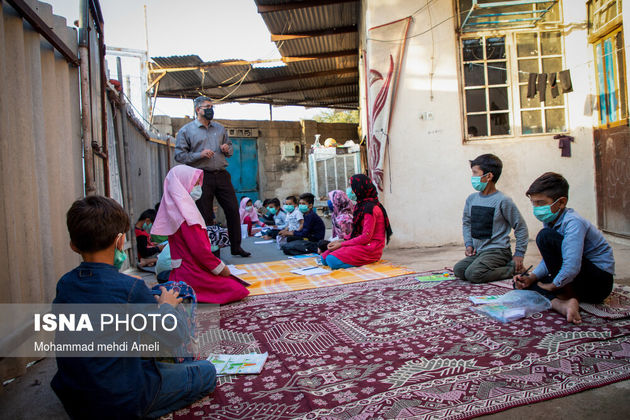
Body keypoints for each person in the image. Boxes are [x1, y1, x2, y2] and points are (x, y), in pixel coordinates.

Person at [51, 196, 216, 419]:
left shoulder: (65, 284)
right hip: (121, 398)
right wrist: (167, 306)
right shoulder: (130, 288)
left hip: (74, 400)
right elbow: (174, 336)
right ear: (120, 242)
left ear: (73, 245)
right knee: (207, 371)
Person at [514, 172, 615, 324]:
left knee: (544, 236)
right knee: (520, 284)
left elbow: (572, 265)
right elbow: (550, 261)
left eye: (540, 203)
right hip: (578, 279)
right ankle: (562, 304)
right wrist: (532, 278)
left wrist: (552, 286)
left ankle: (562, 294)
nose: (536, 208)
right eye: (533, 203)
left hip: (598, 284)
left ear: (561, 202)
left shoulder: (573, 222)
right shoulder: (551, 221)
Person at [152, 165, 249, 304]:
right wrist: (221, 268)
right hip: (192, 271)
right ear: (182, 185)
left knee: (232, 281)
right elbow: (200, 251)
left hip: (183, 269)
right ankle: (186, 291)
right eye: (195, 184)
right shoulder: (186, 216)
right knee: (237, 289)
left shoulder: (177, 211)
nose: (199, 188)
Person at [174, 96, 250, 257]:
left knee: (232, 210)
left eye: (212, 106)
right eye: (207, 107)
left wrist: (226, 149)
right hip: (201, 175)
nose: (210, 109)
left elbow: (230, 149)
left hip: (222, 174)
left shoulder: (220, 129)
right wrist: (199, 155)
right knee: (206, 214)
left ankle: (236, 247)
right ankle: (212, 251)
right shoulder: (186, 131)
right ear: (198, 110)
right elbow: (180, 156)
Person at [453, 154, 529, 283]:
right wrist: (469, 244)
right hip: (480, 251)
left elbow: (520, 227)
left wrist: (519, 255)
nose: (473, 177)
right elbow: (467, 223)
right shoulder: (472, 199)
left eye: (475, 173)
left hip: (498, 251)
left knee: (474, 274)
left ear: (488, 176)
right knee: (459, 270)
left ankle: (513, 269)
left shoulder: (503, 200)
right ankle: (486, 265)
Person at [321, 175, 392, 269]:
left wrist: (342, 244)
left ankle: (368, 260)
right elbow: (355, 232)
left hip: (370, 248)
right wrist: (341, 241)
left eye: (351, 186)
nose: (349, 189)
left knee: (331, 260)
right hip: (360, 244)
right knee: (324, 257)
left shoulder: (371, 208)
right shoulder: (359, 206)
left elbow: (365, 237)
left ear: (359, 188)